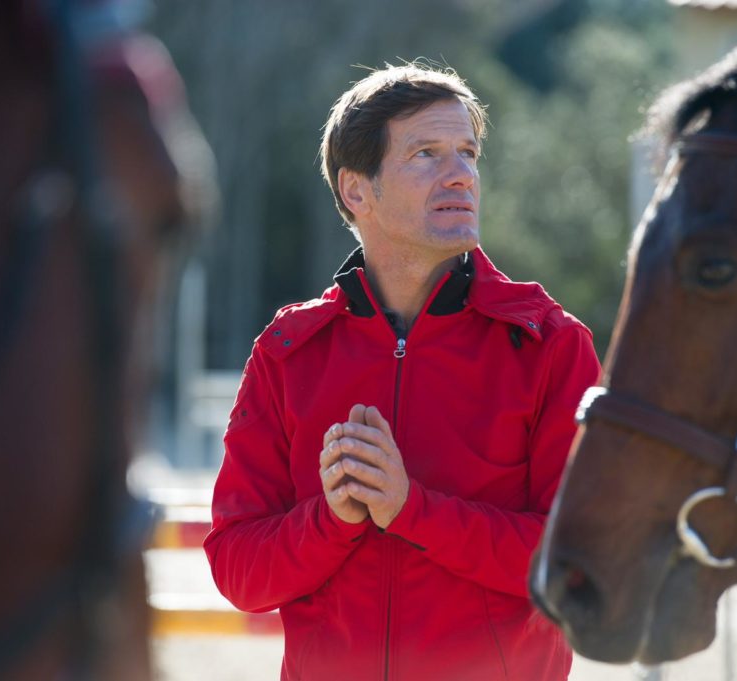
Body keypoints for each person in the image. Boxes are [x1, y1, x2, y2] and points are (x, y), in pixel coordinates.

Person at [204, 62, 601, 681]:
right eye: (426, 154)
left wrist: (412, 510)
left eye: (468, 153)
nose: (462, 174)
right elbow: (237, 571)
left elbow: (578, 563)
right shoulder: (287, 352)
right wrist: (330, 522)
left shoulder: (551, 345)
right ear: (356, 191)